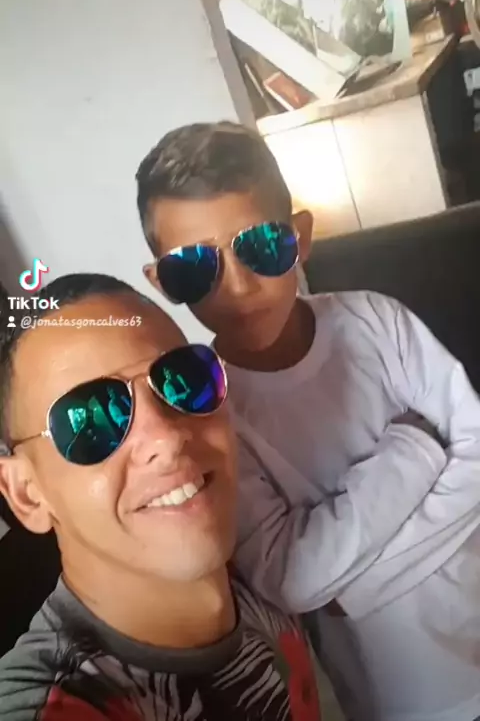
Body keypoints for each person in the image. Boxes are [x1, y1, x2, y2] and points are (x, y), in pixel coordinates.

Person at [135, 120, 480, 721]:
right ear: (162, 281)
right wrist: (416, 449)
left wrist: (351, 590)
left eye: (261, 246)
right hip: (407, 701)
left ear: (300, 237)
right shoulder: (208, 412)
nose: (238, 286)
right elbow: (291, 576)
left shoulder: (378, 322)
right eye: (194, 267)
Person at [0, 273, 337, 721]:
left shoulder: (261, 564)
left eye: (184, 379)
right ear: (27, 494)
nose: (167, 437)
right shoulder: (56, 704)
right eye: (90, 421)